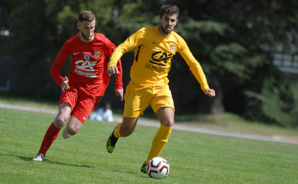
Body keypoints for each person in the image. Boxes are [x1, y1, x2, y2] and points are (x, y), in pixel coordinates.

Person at [106, 4, 215, 173]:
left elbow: (193, 63)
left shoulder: (177, 41)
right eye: (166, 19)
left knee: (168, 122)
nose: (169, 23)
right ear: (160, 19)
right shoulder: (144, 33)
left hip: (161, 87)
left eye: (172, 20)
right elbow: (122, 47)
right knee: (127, 130)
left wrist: (205, 86)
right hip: (138, 88)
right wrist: (112, 62)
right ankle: (116, 134)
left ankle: (148, 162)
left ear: (176, 21)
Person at [33, 11, 123, 161]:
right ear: (78, 26)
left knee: (72, 129)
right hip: (72, 87)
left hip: (92, 92)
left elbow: (117, 58)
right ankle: (40, 153)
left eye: (93, 27)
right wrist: (61, 81)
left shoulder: (103, 42)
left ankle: (69, 129)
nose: (90, 31)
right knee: (61, 119)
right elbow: (54, 68)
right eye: (87, 28)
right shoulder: (70, 44)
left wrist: (118, 84)